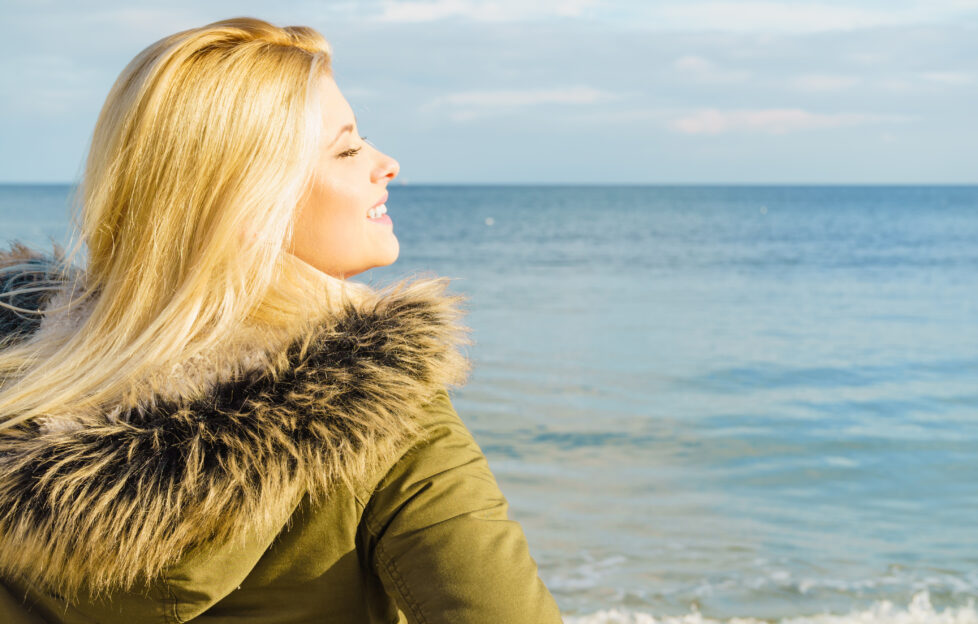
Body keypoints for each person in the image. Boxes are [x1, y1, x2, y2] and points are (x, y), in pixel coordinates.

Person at [0, 17, 563, 623]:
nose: (387, 162)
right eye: (347, 149)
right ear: (251, 203)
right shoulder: (378, 415)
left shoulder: (23, 390)